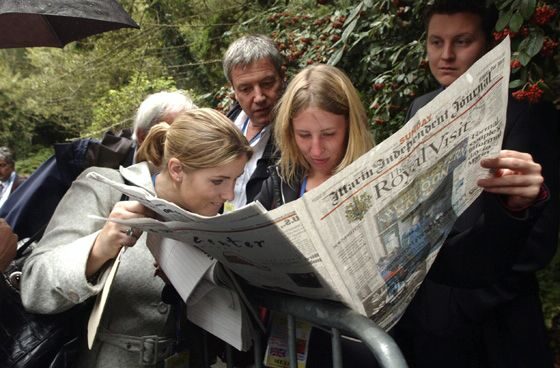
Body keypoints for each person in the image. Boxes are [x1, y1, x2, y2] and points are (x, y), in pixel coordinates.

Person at [391, 1, 560, 367]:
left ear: (487, 44)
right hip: (425, 320)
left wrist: (462, 304)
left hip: (496, 325)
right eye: (436, 42)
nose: (446, 55)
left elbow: (539, 237)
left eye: (461, 41)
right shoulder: (419, 109)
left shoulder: (528, 114)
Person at [21, 108, 253, 368]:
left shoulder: (214, 219)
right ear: (176, 169)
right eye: (218, 180)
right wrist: (98, 249)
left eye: (235, 179)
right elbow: (34, 285)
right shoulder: (105, 189)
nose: (230, 195)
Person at [255, 63, 376, 367]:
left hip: (356, 346)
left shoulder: (372, 173)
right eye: (304, 135)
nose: (316, 148)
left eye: (329, 134)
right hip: (292, 340)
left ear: (350, 125)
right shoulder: (280, 180)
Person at [222, 34, 284, 210]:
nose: (259, 97)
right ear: (233, 90)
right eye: (246, 89)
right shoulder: (223, 129)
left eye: (267, 83)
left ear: (282, 77)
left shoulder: (299, 136)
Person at [132, 90, 197, 146]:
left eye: (189, 135)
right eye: (173, 137)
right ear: (143, 138)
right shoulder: (122, 155)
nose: (186, 144)